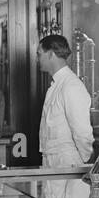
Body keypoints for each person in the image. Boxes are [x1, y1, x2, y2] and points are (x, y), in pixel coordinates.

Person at [37, 34, 95, 167]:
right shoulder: (57, 84)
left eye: (39, 54)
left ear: (51, 54)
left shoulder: (71, 85)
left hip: (68, 161)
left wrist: (86, 160)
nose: (37, 59)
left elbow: (82, 131)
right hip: (54, 160)